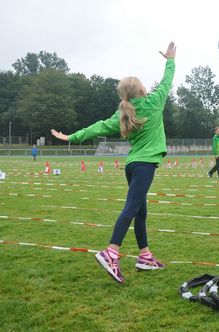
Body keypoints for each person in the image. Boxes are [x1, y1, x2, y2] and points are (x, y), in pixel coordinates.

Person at [50, 42, 177, 283]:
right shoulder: (154, 102)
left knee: (141, 212)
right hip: (144, 165)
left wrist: (71, 137)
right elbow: (167, 80)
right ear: (141, 90)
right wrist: (170, 60)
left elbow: (97, 127)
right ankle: (111, 252)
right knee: (132, 208)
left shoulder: (123, 114)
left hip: (132, 166)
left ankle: (145, 256)